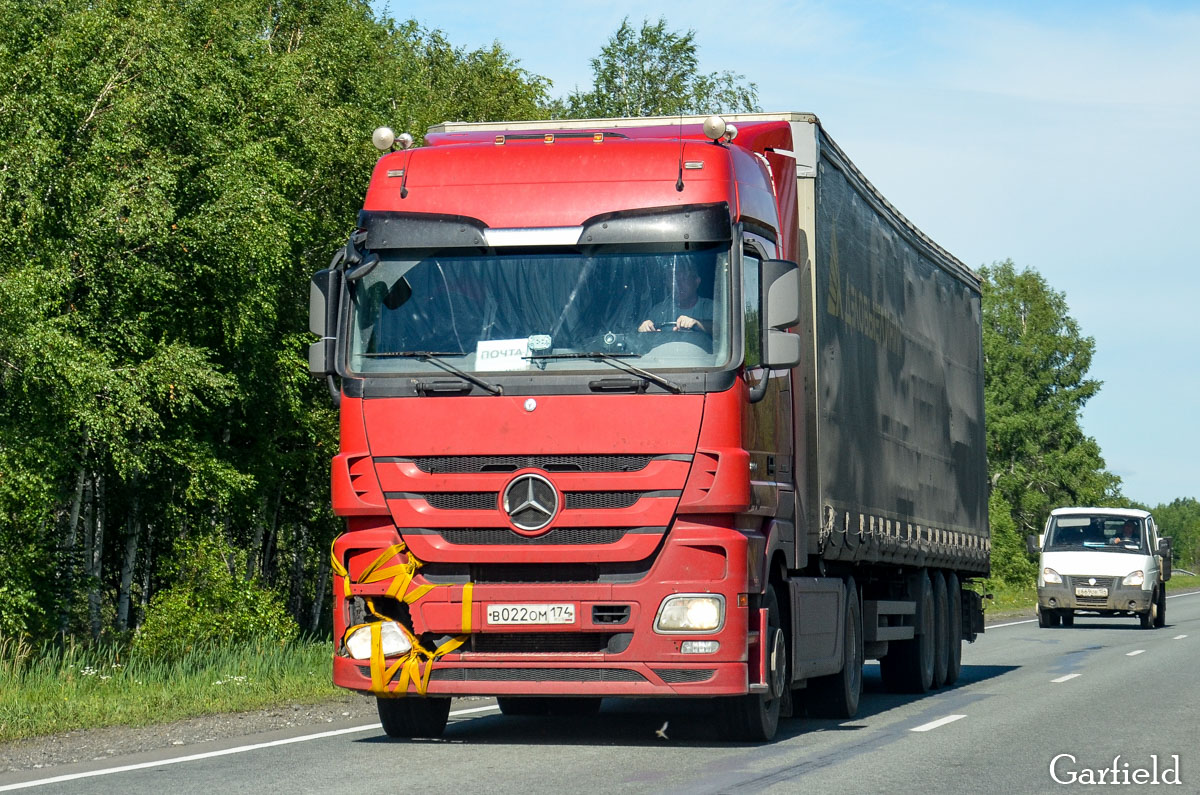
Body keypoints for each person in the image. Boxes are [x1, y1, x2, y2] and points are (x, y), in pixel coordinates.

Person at [637, 259, 713, 334]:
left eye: (684, 279)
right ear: (667, 284)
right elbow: (641, 341)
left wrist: (698, 324)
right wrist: (644, 329)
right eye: (674, 280)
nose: (678, 285)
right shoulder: (658, 311)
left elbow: (722, 328)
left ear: (696, 282)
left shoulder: (710, 307)